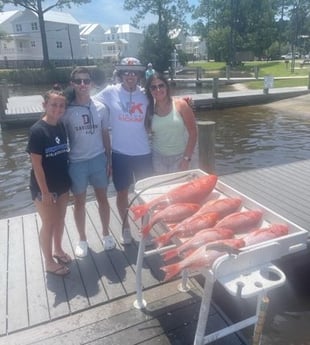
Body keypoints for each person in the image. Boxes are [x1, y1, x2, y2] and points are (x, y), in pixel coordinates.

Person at [94, 57, 153, 245]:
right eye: (126, 72)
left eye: (134, 72)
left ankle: (146, 229)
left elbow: (165, 99)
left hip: (143, 152)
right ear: (120, 74)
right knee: (122, 193)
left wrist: (184, 100)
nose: (130, 75)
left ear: (139, 75)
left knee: (145, 193)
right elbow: (88, 101)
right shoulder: (110, 92)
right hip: (120, 153)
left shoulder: (145, 94)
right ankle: (126, 227)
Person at [62, 66, 116, 257]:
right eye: (78, 81)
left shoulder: (101, 107)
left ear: (92, 83)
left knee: (103, 198)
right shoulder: (66, 110)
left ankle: (106, 233)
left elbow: (105, 135)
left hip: (98, 159)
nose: (82, 84)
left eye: (86, 80)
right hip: (76, 162)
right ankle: (82, 239)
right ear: (72, 84)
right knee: (79, 202)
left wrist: (109, 160)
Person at [27, 86, 71, 276]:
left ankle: (58, 249)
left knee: (60, 220)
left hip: (62, 184)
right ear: (45, 105)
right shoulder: (37, 131)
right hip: (44, 188)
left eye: (61, 106)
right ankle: (48, 262)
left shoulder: (60, 125)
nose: (58, 109)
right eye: (54, 105)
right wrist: (44, 192)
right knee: (49, 222)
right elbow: (36, 165)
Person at [145, 72, 198, 174]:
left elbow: (193, 133)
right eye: (153, 87)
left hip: (180, 156)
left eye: (161, 85)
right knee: (163, 189)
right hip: (158, 157)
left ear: (167, 87)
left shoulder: (181, 105)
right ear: (150, 90)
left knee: (178, 188)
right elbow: (146, 130)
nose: (158, 90)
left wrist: (186, 158)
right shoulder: (148, 109)